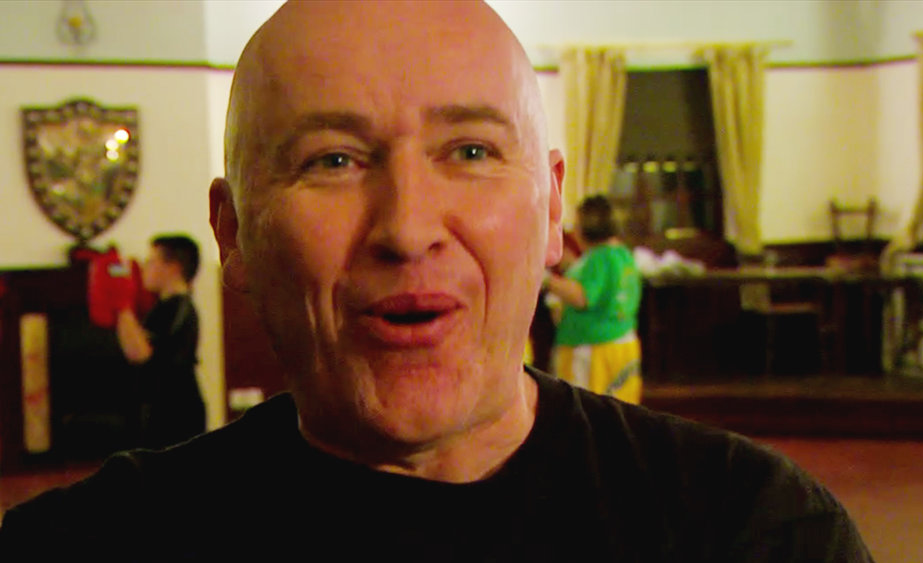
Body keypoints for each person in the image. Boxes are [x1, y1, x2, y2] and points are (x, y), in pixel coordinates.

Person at [0, 2, 872, 560]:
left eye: (471, 150)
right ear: (234, 232)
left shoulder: (755, 531)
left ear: (552, 208)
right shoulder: (84, 545)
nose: (408, 227)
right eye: (333, 159)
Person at [545, 195, 643, 404]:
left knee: (584, 408)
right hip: (622, 342)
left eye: (577, 223)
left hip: (592, 347)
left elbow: (583, 297)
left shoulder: (599, 258)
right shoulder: (622, 254)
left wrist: (545, 280)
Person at [117, 235, 206, 449]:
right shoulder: (163, 306)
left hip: (176, 413)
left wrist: (120, 303)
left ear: (172, 268)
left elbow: (140, 354)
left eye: (151, 261)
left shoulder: (178, 307)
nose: (145, 267)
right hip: (162, 409)